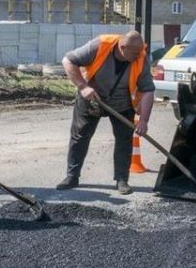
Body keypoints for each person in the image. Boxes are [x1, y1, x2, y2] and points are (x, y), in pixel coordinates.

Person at [56, 31, 155, 195]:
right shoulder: (100, 45)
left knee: (124, 139)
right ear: (122, 47)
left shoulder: (141, 56)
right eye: (135, 53)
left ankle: (122, 179)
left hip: (122, 103)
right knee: (80, 135)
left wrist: (144, 120)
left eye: (140, 52)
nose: (139, 56)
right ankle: (72, 176)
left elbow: (148, 90)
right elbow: (68, 60)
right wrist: (83, 87)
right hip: (91, 98)